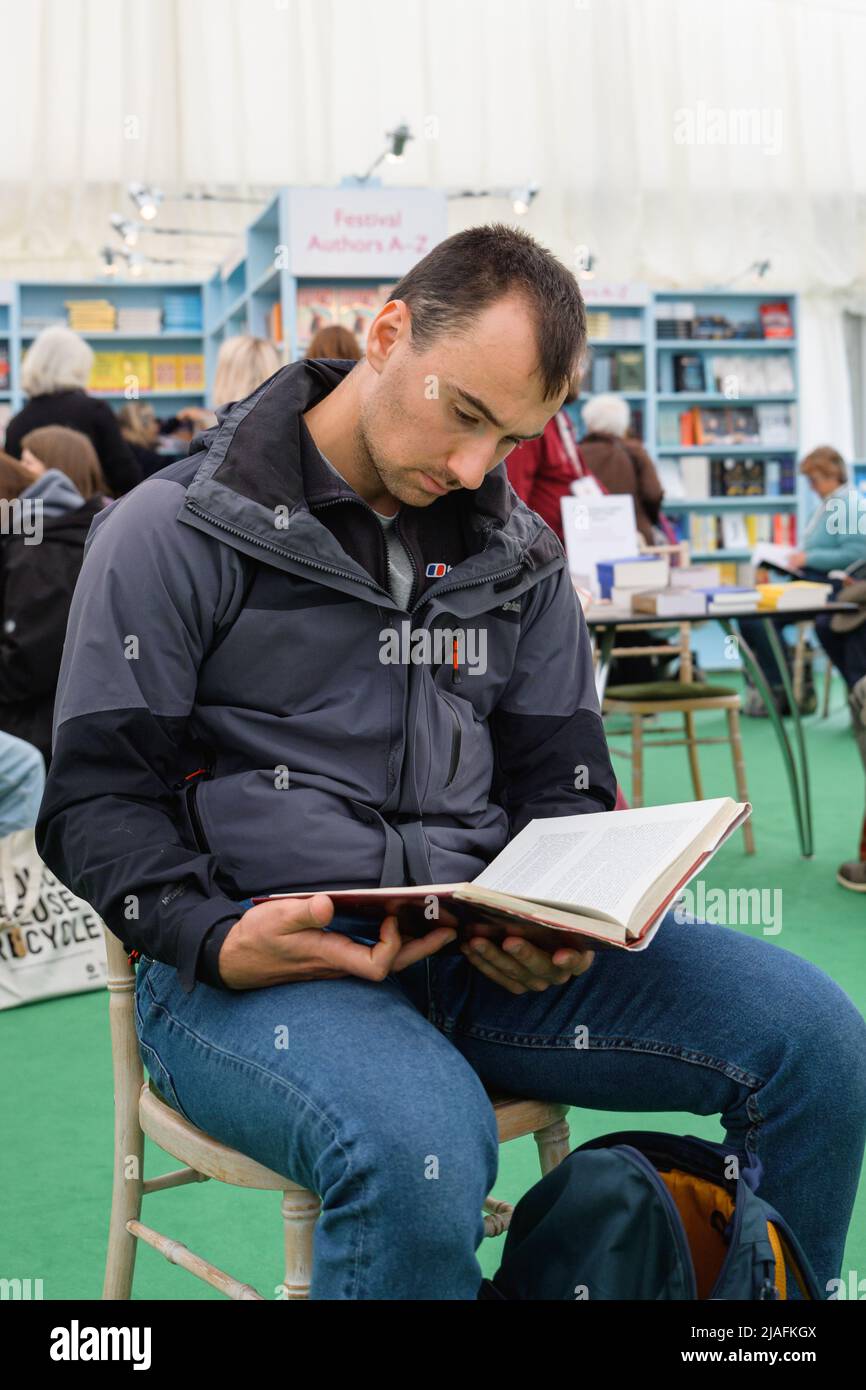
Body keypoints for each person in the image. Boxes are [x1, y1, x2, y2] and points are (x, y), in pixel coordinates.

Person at [36, 225, 866, 1300]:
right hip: (250, 970)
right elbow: (96, 799)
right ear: (388, 333)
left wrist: (554, 918)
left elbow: (562, 780)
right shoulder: (171, 531)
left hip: (476, 951)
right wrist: (213, 934)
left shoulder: (517, 557)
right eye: (464, 414)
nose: (475, 468)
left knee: (819, 1044)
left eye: (511, 439)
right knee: (420, 1143)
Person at [0, 428, 105, 764]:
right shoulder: (83, 530)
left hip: (33, 731)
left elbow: (27, 660)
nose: (18, 468)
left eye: (29, 461)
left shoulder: (41, 546)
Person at [739, 447, 866, 716]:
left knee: (762, 617)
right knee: (752, 615)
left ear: (834, 474)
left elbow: (857, 554)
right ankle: (777, 684)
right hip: (811, 583)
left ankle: (782, 687)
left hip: (832, 587)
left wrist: (807, 558)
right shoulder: (828, 504)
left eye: (815, 480)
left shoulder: (848, 504)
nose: (812, 487)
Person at [4, 326, 140, 496]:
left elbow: (14, 487)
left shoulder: (17, 423)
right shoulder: (95, 411)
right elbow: (126, 476)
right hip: (94, 516)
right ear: (79, 366)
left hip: (37, 518)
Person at [504, 376, 591, 543]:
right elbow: (516, 488)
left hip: (570, 541)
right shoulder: (534, 422)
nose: (582, 374)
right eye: (578, 366)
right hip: (541, 547)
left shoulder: (561, 417)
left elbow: (578, 474)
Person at [578, 393, 664, 543]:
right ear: (623, 423)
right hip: (634, 534)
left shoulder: (575, 454)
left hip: (588, 537)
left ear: (588, 421)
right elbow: (653, 493)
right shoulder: (635, 451)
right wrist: (647, 519)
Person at [117, 402, 166, 480]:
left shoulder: (114, 457)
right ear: (141, 426)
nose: (157, 427)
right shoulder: (156, 462)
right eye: (153, 421)